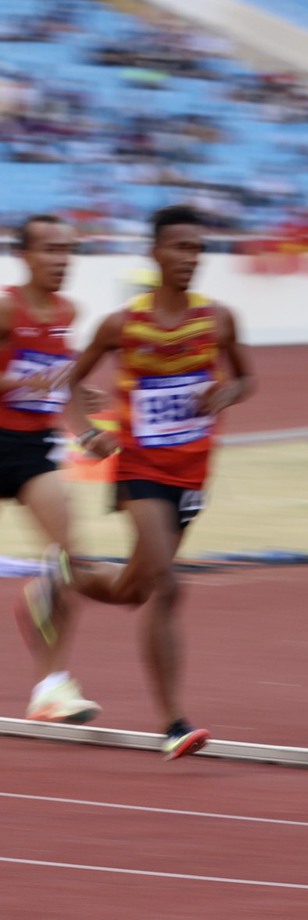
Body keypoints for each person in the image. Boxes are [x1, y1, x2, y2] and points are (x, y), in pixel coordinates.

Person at [59, 204, 256, 758]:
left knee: (134, 590)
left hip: (192, 473)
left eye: (198, 249)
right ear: (155, 252)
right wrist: (89, 435)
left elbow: (248, 377)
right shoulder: (122, 324)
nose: (189, 258)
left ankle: (64, 577)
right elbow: (67, 384)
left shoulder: (219, 319)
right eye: (179, 247)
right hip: (139, 470)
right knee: (168, 584)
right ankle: (174, 723)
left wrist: (225, 394)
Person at [4, 215, 102, 723]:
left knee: (70, 561)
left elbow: (58, 381)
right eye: (50, 250)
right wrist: (26, 381)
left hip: (28, 449)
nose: (61, 259)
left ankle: (52, 687)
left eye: (68, 250)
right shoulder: (6, 308)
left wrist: (86, 422)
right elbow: (31, 377)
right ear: (25, 255)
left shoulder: (68, 310)